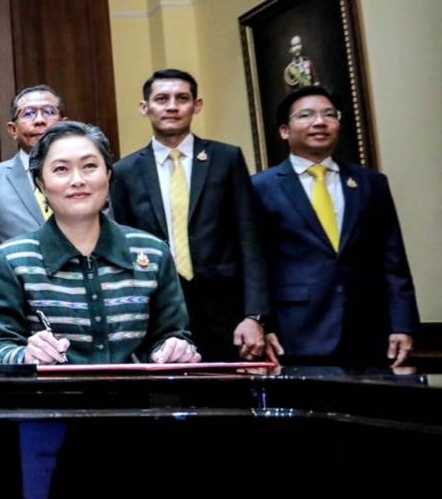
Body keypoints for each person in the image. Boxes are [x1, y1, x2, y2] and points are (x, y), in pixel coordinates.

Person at [0, 121, 199, 365]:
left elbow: (173, 335)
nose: (77, 180)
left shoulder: (152, 253)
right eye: (61, 169)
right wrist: (25, 355)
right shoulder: (12, 259)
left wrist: (175, 348)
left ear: (108, 174)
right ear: (41, 183)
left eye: (89, 166)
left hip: (136, 390)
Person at [110, 69, 274, 361]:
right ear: (144, 107)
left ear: (197, 105)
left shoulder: (226, 159)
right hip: (156, 314)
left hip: (226, 313)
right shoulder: (125, 171)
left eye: (182, 98)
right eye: (162, 99)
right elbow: (122, 247)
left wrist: (255, 315)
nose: (172, 106)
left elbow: (250, 240)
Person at [250, 85, 419, 367]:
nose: (320, 122)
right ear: (284, 131)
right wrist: (261, 323)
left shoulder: (371, 183)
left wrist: (403, 324)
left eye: (329, 114)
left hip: (369, 331)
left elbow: (393, 260)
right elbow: (255, 264)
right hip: (295, 332)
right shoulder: (259, 187)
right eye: (306, 115)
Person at [0, 84, 64, 247]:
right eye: (29, 113)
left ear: (64, 124)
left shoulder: (87, 174)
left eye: (49, 112)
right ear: (13, 130)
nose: (39, 120)